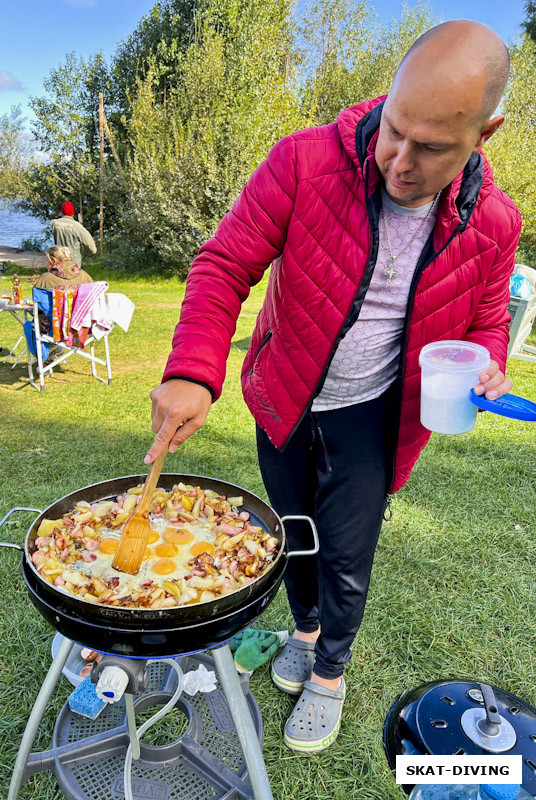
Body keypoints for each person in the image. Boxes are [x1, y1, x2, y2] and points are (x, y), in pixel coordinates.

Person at [145, 20, 522, 754]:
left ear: (486, 132)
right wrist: (192, 369)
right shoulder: (304, 162)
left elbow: (485, 319)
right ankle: (304, 631)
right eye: (393, 130)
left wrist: (484, 356)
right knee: (293, 537)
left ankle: (330, 672)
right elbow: (224, 263)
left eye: (431, 147)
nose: (398, 162)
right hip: (283, 396)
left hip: (374, 416)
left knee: (347, 554)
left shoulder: (496, 223)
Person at [51, 202, 97, 268]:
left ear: (61, 212)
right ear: (73, 213)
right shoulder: (76, 226)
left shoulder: (54, 223)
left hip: (59, 260)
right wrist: (93, 250)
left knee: (60, 276)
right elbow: (89, 241)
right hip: (73, 262)